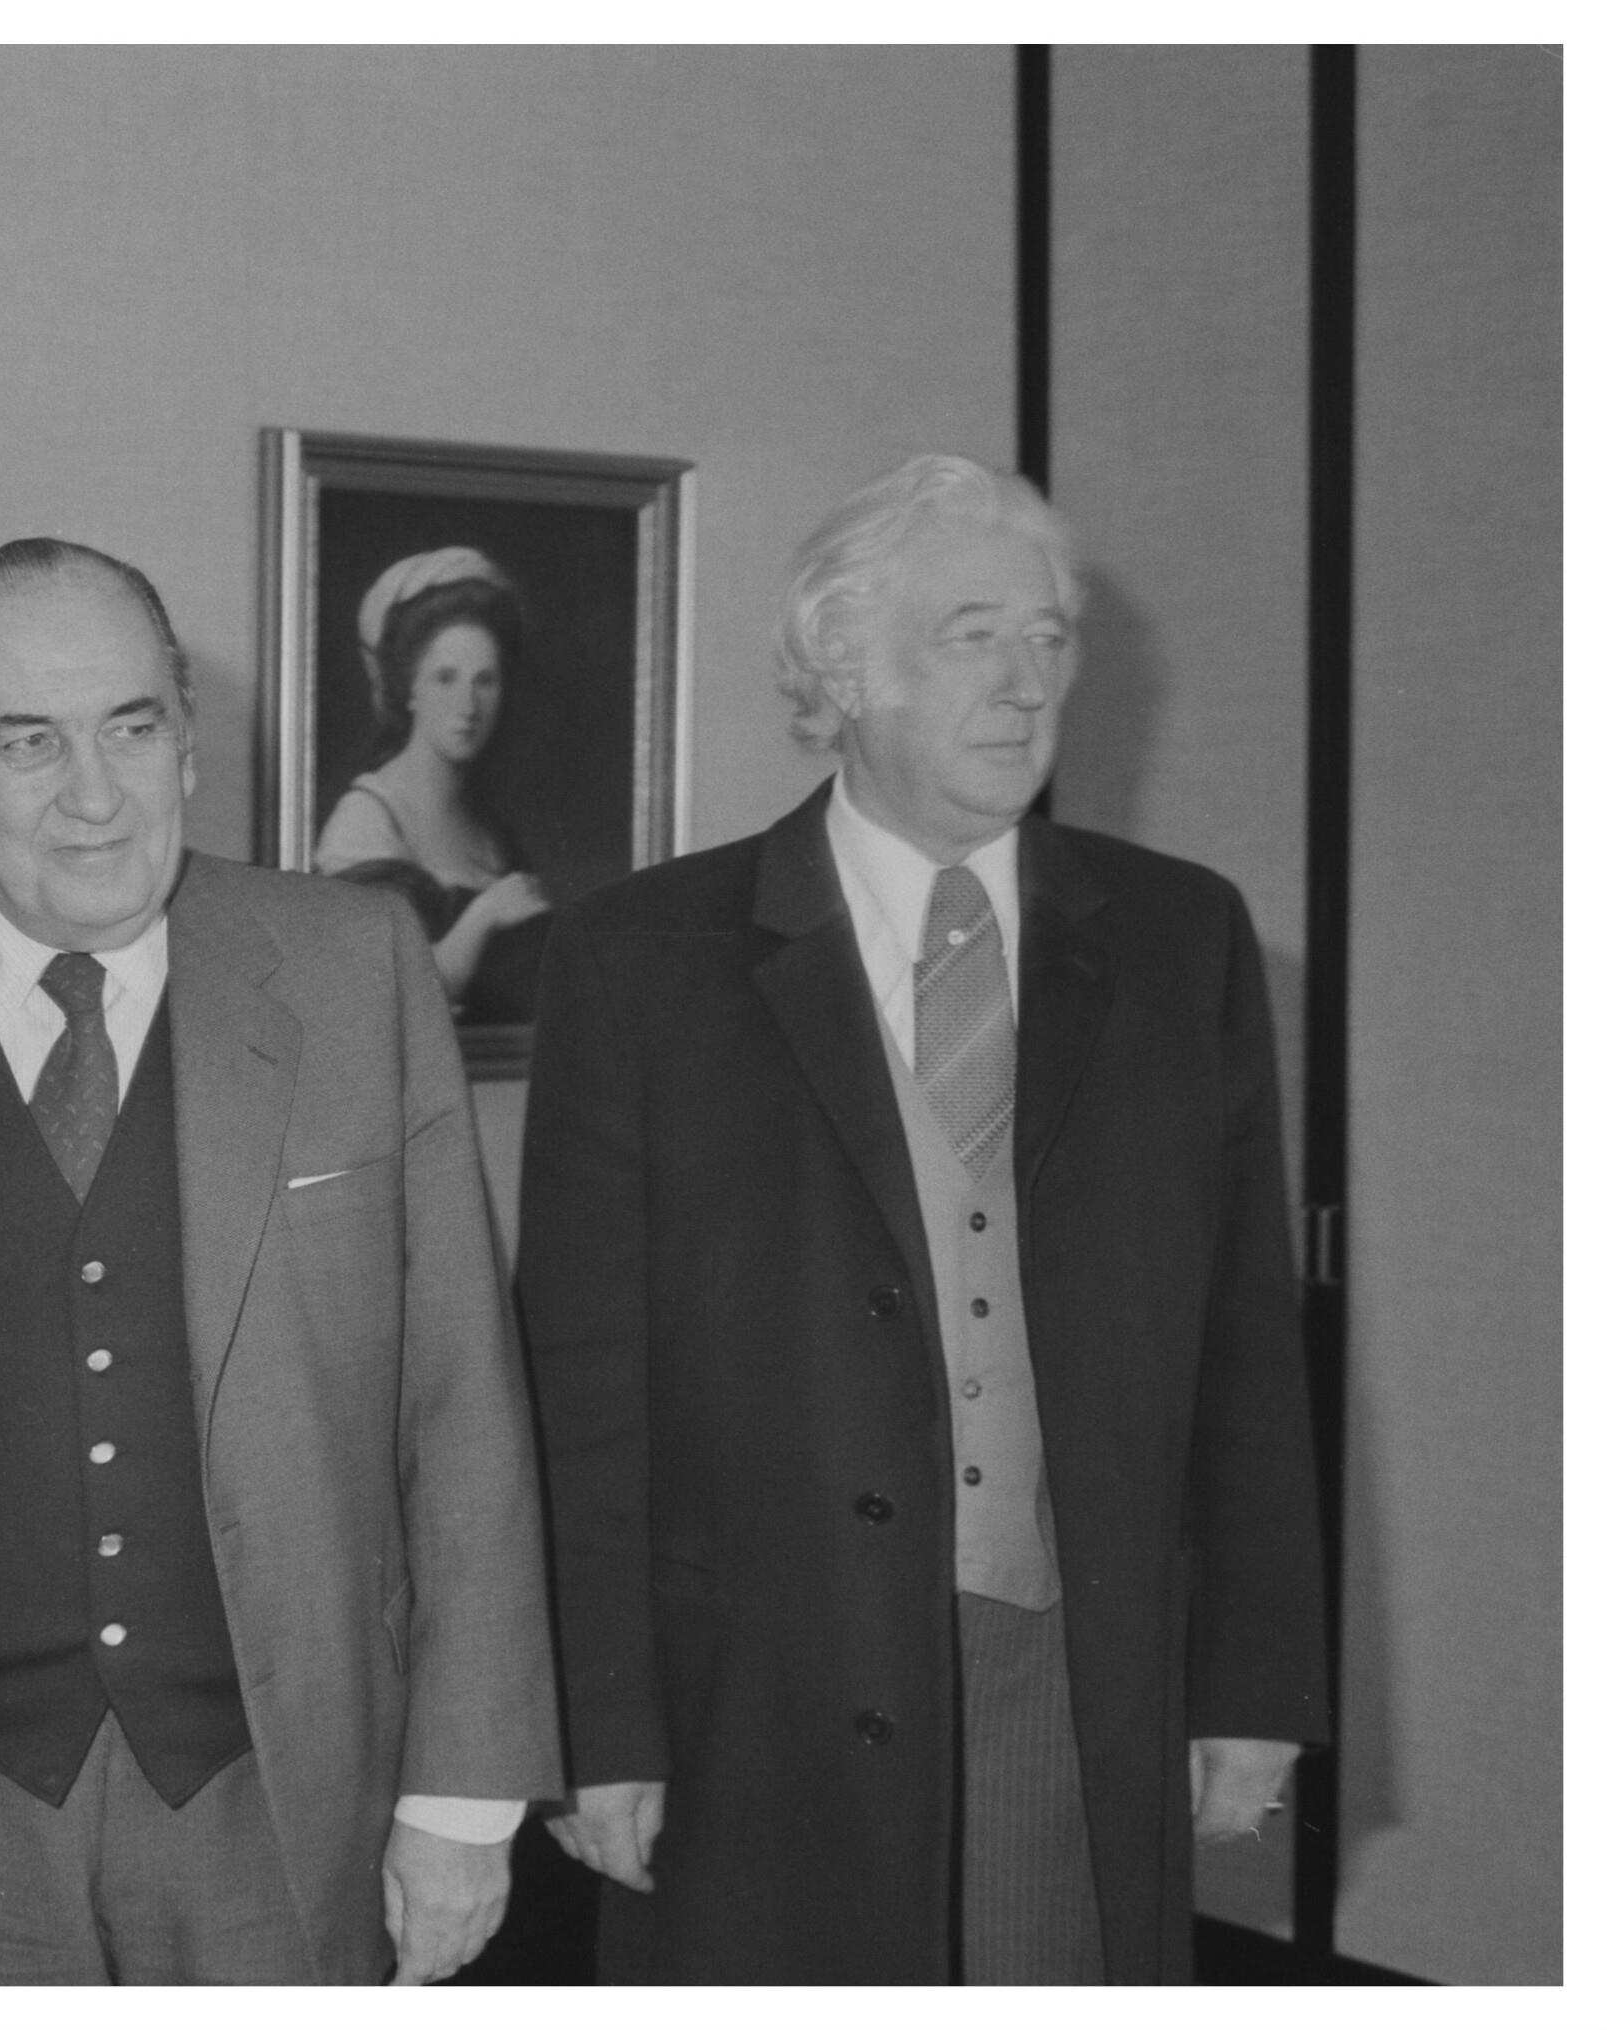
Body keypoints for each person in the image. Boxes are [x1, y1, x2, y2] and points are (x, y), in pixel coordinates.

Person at [0, 537, 557, 1984]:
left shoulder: (356, 969)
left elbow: (461, 1398)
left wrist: (464, 1797)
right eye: (27, 740)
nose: (93, 795)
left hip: (279, 1797)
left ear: (189, 740)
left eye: (132, 728)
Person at [519, 456, 1328, 1983]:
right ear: (843, 666)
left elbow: (1248, 1346)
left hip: (1072, 1669)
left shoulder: (1181, 938)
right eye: (974, 635)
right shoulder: (640, 957)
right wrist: (595, 1719)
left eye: (1050, 637)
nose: (1028, 683)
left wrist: (1255, 1682)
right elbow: (580, 1389)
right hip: (755, 1693)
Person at [313, 547, 550, 1019]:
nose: (468, 705)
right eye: (445, 678)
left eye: (486, 681)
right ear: (409, 690)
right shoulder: (366, 821)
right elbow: (382, 993)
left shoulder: (489, 829)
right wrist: (485, 915)